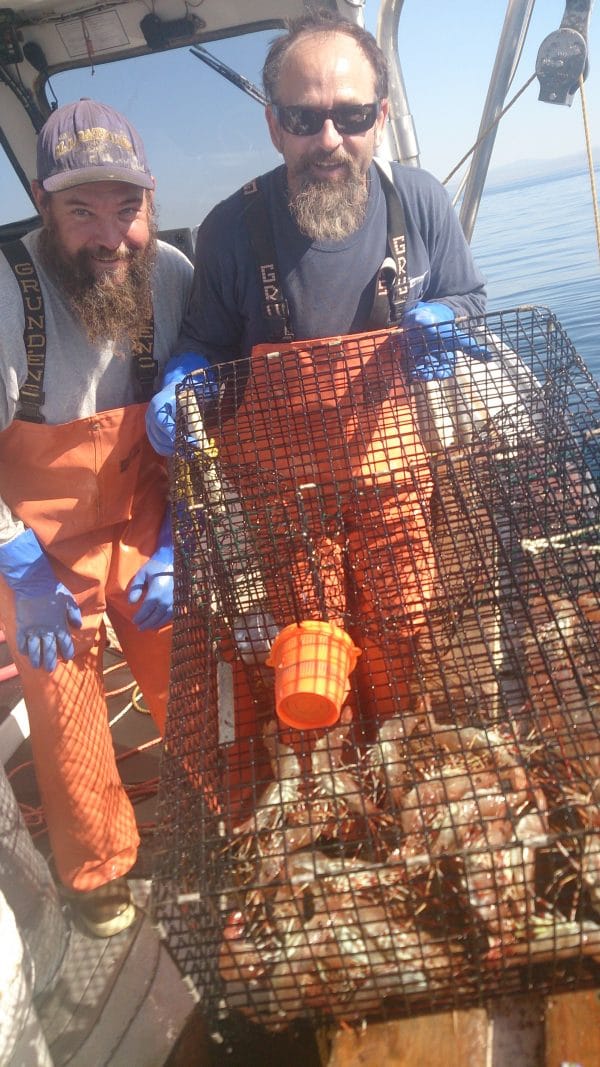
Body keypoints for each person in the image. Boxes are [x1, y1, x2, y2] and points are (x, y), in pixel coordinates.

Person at [146, 11, 489, 734]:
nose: (329, 140)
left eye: (352, 115)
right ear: (275, 126)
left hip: (394, 476)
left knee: (405, 630)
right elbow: (206, 342)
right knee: (314, 650)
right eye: (304, 119)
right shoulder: (230, 230)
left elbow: (468, 294)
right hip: (285, 497)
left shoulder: (420, 201)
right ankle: (337, 767)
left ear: (381, 117)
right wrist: (186, 376)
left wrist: (448, 319)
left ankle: (401, 746)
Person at [0, 99, 193, 937]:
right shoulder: (7, 293)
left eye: (127, 207)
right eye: (83, 210)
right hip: (36, 544)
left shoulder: (175, 277)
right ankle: (97, 872)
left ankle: (228, 813)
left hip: (145, 520)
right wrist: (17, 562)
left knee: (193, 668)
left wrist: (182, 540)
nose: (109, 234)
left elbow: (204, 431)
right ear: (44, 201)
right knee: (62, 691)